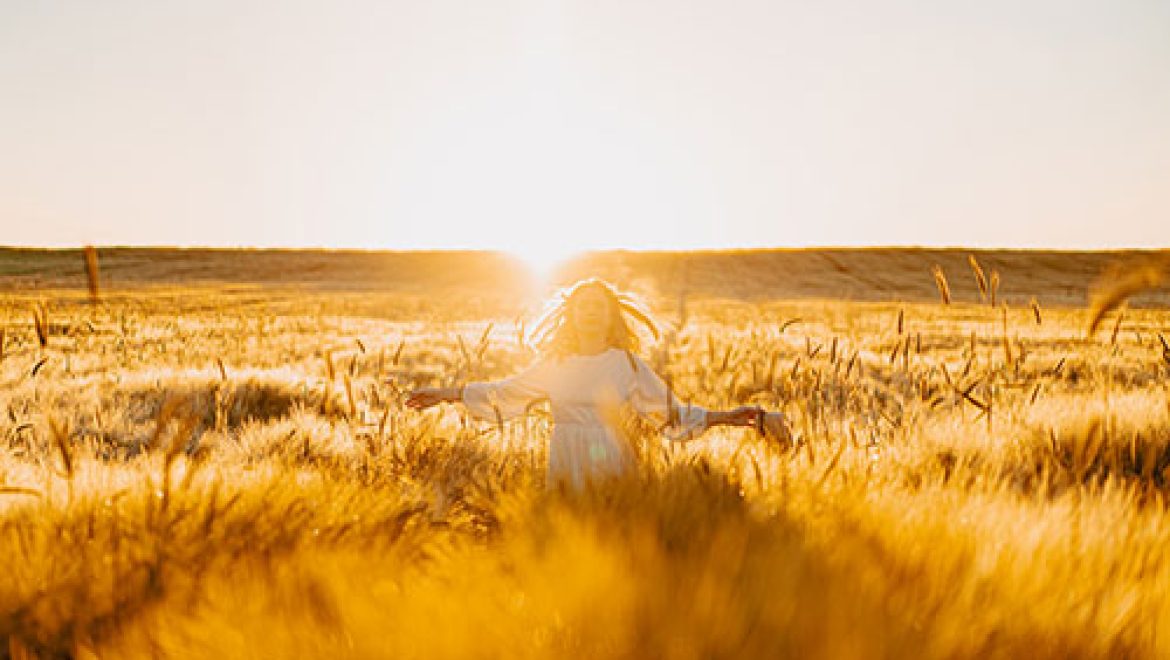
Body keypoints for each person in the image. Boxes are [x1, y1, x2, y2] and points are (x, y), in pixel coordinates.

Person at [405, 278, 791, 490]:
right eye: (582, 306)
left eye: (598, 307)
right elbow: (504, 392)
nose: (589, 313)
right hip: (565, 453)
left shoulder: (626, 365)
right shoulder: (556, 364)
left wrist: (729, 417)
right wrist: (444, 395)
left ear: (611, 317)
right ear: (570, 315)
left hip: (611, 456)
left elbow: (671, 414)